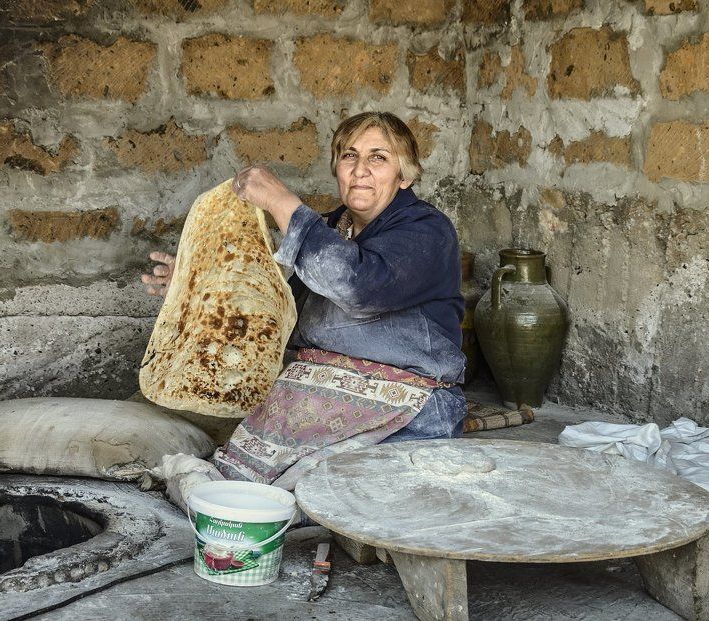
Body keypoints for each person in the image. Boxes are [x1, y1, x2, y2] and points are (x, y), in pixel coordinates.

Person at [142, 112, 466, 495]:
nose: (360, 169)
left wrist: (281, 202)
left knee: (324, 499)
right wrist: (198, 289)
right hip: (308, 404)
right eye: (349, 156)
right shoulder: (330, 230)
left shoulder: (427, 230)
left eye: (378, 157)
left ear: (405, 176)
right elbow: (276, 313)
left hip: (403, 412)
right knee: (227, 494)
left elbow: (357, 287)